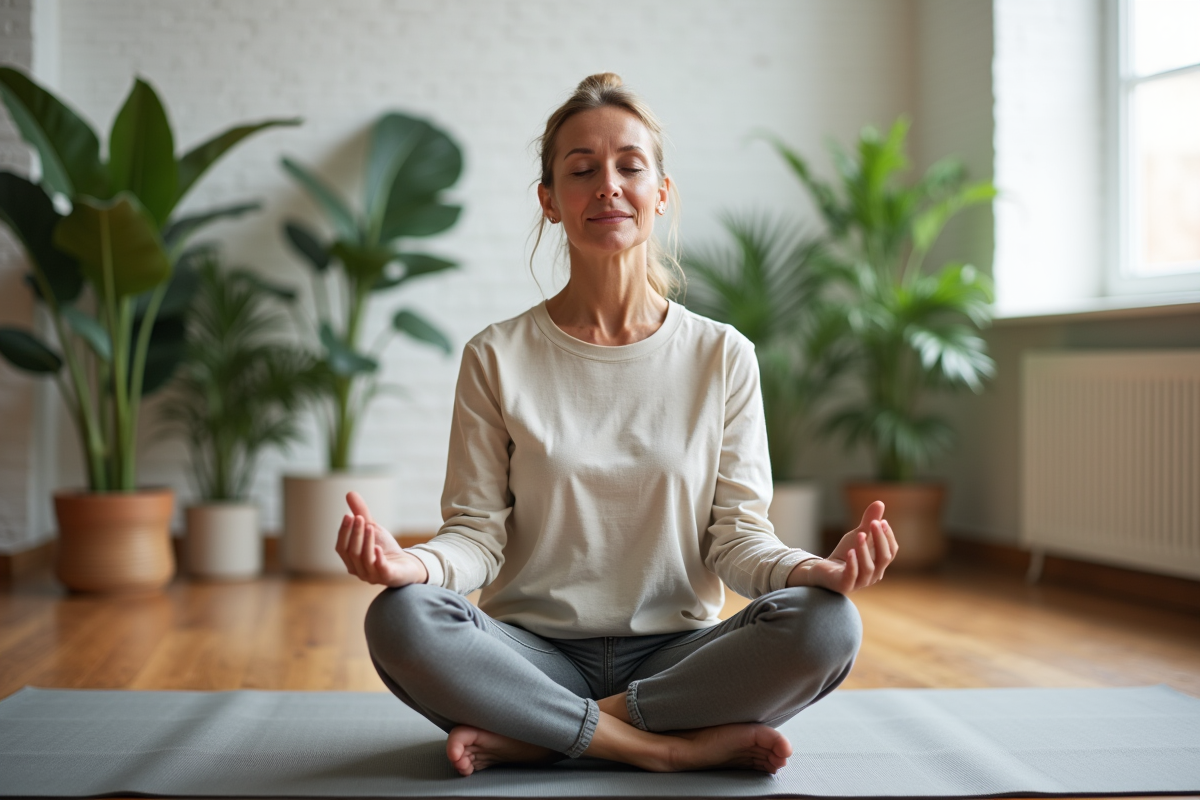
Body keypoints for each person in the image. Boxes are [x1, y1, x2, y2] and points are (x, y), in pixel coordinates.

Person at [335, 72, 897, 777]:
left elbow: (739, 538)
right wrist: (409, 565)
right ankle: (660, 747)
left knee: (828, 623)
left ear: (660, 192)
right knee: (400, 617)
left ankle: (542, 735)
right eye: (581, 169)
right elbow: (476, 536)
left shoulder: (722, 355)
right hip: (530, 655)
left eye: (630, 166)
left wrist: (814, 569)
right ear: (549, 201)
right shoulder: (495, 355)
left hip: (675, 655)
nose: (608, 185)